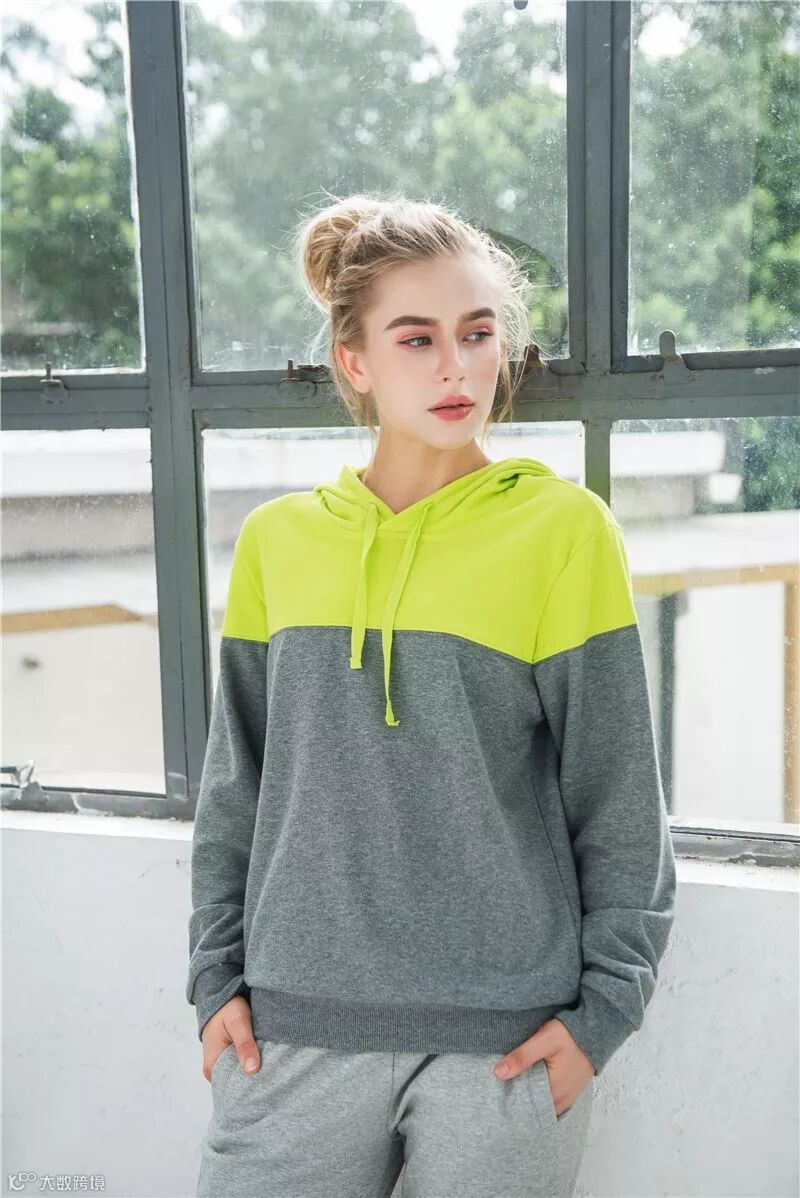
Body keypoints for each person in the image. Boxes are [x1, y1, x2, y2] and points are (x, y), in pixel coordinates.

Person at [186, 194, 677, 1198]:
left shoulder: (561, 531)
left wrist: (603, 1015)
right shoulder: (279, 542)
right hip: (291, 1027)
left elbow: (618, 791)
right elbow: (237, 786)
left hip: (505, 1047)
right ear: (355, 361)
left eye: (477, 333)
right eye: (416, 339)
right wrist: (212, 980)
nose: (456, 368)